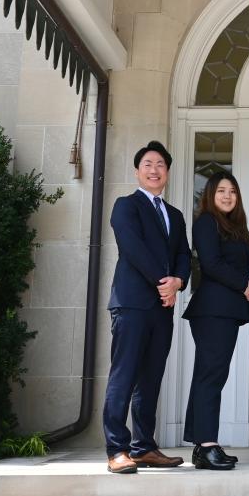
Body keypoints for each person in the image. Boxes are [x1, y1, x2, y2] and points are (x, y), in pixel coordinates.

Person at [103, 140, 190, 474]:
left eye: (161, 165)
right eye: (148, 164)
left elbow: (184, 253)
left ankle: (144, 447)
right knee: (123, 375)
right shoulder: (126, 206)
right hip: (133, 303)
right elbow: (132, 248)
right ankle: (117, 449)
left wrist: (178, 282)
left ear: (167, 172)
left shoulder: (176, 215)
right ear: (138, 170)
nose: (155, 170)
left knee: (151, 378)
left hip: (162, 308)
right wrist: (163, 283)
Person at [183, 171, 249, 470]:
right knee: (210, 375)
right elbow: (211, 264)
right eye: (221, 191)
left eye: (233, 191)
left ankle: (206, 443)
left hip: (225, 312)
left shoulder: (235, 228)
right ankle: (205, 445)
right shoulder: (206, 222)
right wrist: (245, 284)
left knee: (214, 375)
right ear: (210, 195)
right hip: (212, 310)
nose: (228, 196)